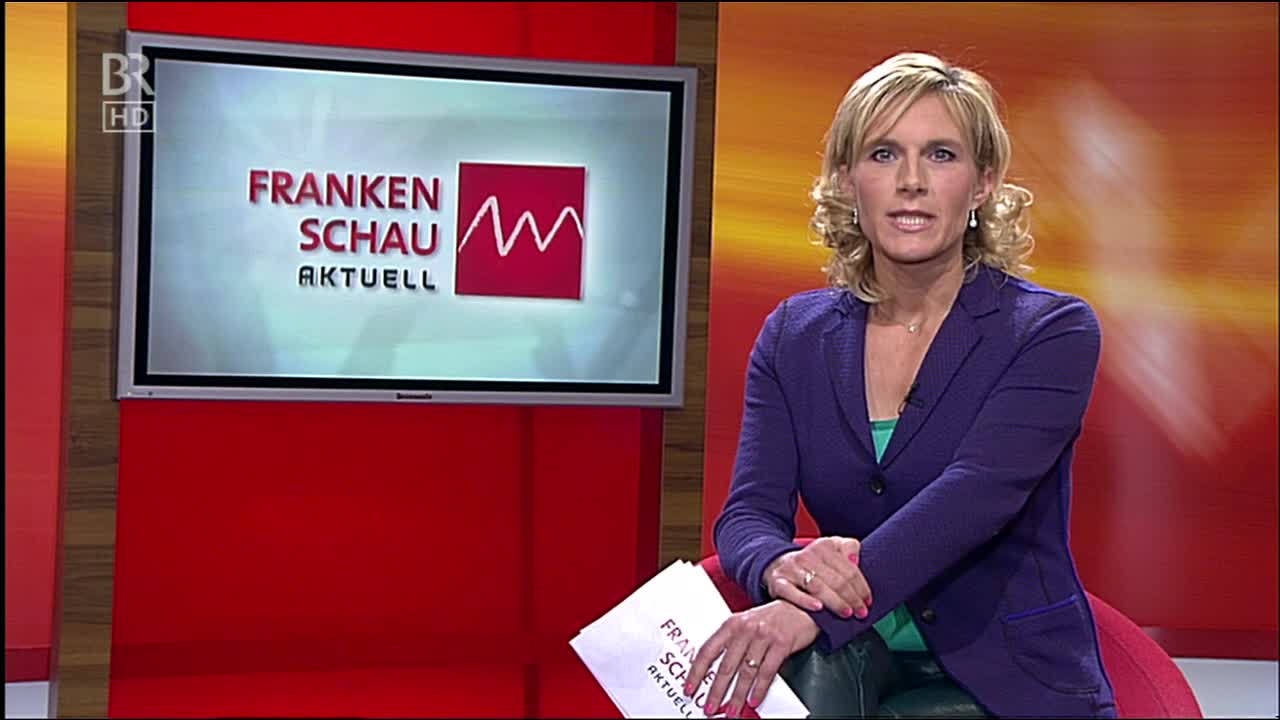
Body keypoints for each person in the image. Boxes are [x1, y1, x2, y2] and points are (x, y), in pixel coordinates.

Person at [683, 52, 1117, 718]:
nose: (911, 182)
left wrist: (812, 613)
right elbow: (748, 512)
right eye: (883, 154)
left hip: (1007, 674)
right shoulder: (794, 335)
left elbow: (974, 496)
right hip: (854, 658)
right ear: (847, 180)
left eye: (940, 155)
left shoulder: (1049, 331)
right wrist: (777, 565)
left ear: (982, 183)